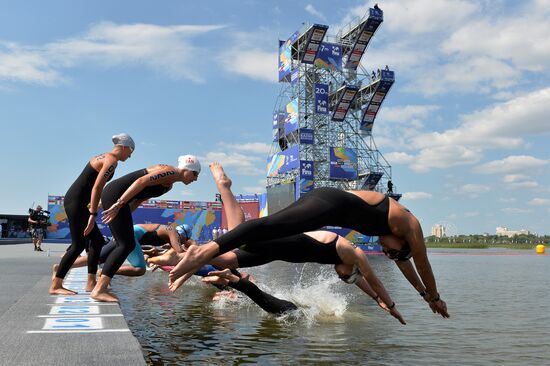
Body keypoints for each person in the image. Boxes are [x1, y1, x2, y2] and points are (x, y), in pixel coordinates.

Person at [169, 186, 449, 319]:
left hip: (324, 204)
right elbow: (421, 264)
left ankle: (194, 260)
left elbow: (406, 265)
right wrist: (433, 296)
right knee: (265, 228)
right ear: (405, 243)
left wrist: (424, 296)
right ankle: (203, 252)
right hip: (330, 203)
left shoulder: (394, 235)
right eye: (393, 252)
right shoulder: (409, 224)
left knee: (263, 233)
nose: (386, 250)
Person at [90, 155, 201, 302]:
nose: (196, 179)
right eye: (195, 174)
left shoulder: (169, 184)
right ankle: (99, 289)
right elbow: (141, 181)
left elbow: (140, 198)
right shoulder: (171, 171)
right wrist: (119, 204)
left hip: (119, 199)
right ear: (187, 169)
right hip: (117, 195)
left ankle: (96, 279)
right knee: (126, 245)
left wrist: (125, 215)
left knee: (124, 244)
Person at [49, 133, 134, 295]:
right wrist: (92, 215)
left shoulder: (102, 156)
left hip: (76, 200)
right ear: (124, 147)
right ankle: (56, 285)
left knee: (96, 241)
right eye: (130, 151)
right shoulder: (112, 161)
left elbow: (89, 185)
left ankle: (90, 282)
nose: (130, 156)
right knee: (78, 244)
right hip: (77, 202)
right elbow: (96, 188)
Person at [52, 223, 193, 278]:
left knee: (99, 258)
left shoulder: (168, 233)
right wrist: (201, 255)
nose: (182, 242)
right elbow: (179, 252)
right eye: (184, 240)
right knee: (139, 269)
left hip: (127, 231)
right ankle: (105, 272)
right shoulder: (172, 231)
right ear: (183, 235)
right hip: (130, 235)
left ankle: (61, 267)